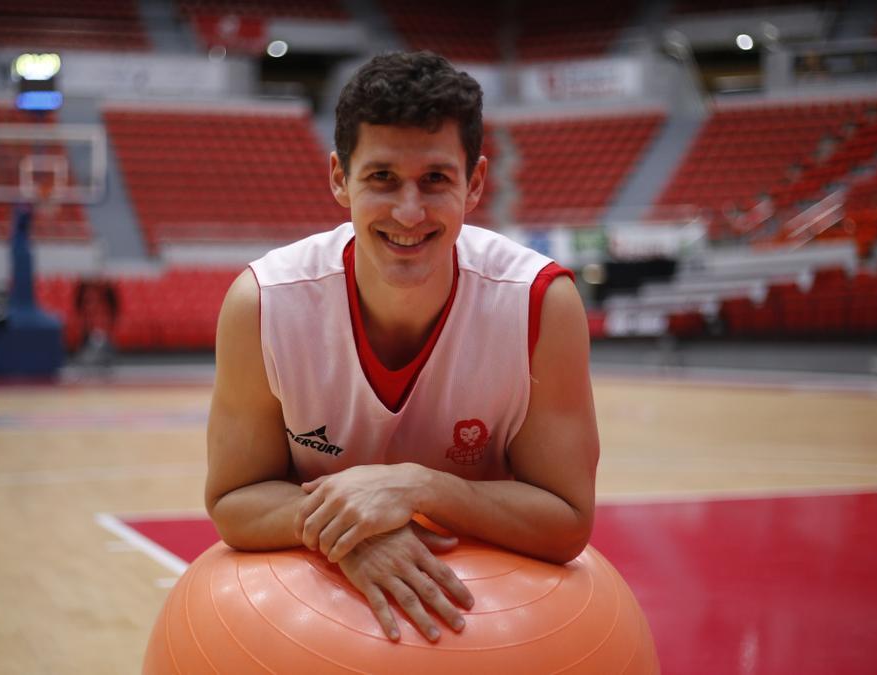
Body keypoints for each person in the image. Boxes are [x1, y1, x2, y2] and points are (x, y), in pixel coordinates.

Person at [205, 51, 599, 643]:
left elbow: (568, 519)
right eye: (382, 177)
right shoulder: (263, 303)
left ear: (476, 183)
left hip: (491, 629)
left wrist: (421, 488)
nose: (408, 212)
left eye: (435, 179)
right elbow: (234, 499)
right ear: (340, 178)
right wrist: (354, 533)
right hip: (311, 628)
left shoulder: (541, 302)